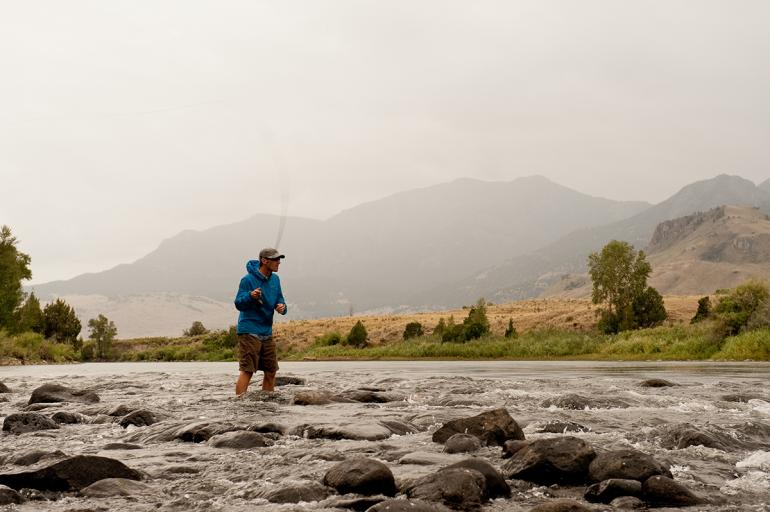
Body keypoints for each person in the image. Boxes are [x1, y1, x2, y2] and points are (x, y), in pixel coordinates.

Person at [234, 247, 287, 395]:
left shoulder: (276, 279)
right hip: (249, 330)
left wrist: (282, 307)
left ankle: (267, 403)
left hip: (266, 332)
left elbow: (280, 299)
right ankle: (240, 405)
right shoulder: (247, 280)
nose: (279, 262)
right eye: (275, 260)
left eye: (279, 259)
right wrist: (251, 296)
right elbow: (238, 303)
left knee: (271, 371)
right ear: (264, 261)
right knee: (248, 371)